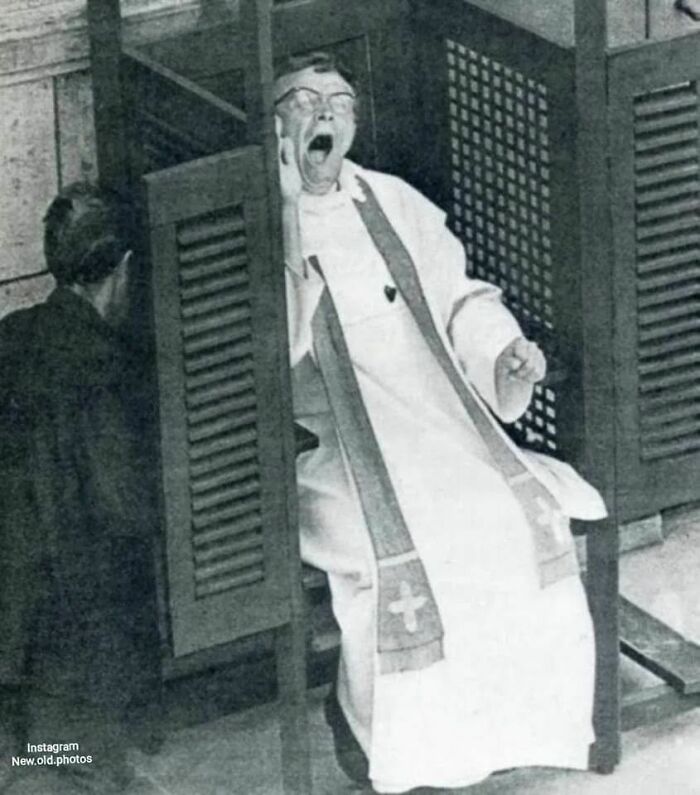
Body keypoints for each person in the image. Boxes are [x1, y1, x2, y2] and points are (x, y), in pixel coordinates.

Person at [275, 52, 607, 794]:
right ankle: (382, 741)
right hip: (331, 443)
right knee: (411, 549)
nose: (325, 115)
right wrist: (288, 213)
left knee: (513, 519)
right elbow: (272, 346)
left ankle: (509, 733)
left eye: (340, 102)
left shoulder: (393, 201)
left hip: (439, 418)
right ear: (274, 127)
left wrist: (504, 353)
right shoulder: (261, 220)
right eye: (304, 101)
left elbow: (462, 299)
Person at [0, 183, 161, 794]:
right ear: (124, 267)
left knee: (35, 754)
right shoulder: (102, 367)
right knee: (78, 762)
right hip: (71, 641)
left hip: (13, 623)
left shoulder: (12, 335)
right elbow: (126, 507)